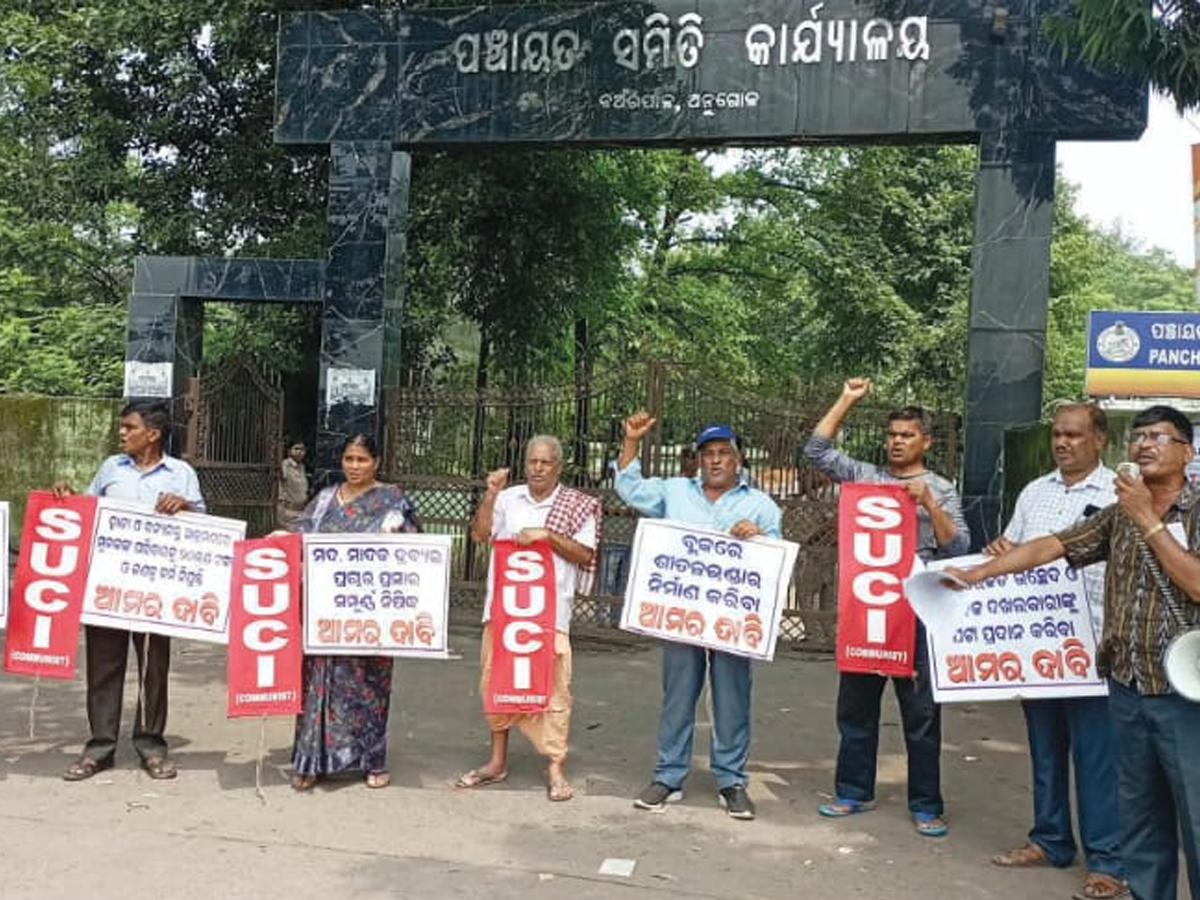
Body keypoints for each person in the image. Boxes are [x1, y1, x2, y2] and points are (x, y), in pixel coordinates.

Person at [946, 405, 1200, 900]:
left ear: (1187, 452)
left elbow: (1195, 584)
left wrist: (1148, 519)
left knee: (1194, 813)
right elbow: (1053, 546)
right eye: (1139, 436)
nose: (1144, 445)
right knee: (1141, 818)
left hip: (1184, 696)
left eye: (1158, 437)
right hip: (1126, 687)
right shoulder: (1118, 514)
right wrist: (977, 574)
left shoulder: (1176, 511)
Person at [805, 377, 968, 837]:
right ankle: (853, 790)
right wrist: (846, 399)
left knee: (921, 712)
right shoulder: (867, 478)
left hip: (917, 612)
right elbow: (816, 452)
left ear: (926, 442)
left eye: (907, 435)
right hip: (869, 609)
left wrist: (929, 503)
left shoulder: (941, 487)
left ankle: (926, 804)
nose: (897, 442)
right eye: (892, 435)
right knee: (856, 707)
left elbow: (959, 548)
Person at [987, 404, 1127, 900]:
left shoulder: (1119, 494)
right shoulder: (1034, 492)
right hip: (1038, 650)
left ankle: (1107, 861)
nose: (1063, 442)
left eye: (1074, 435)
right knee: (1045, 750)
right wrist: (999, 552)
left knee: (1097, 758)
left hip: (1093, 649)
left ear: (1100, 440)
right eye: (1058, 435)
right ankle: (1049, 840)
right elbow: (1012, 550)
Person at [615, 413, 782, 821]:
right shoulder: (674, 492)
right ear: (699, 460)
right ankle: (668, 776)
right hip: (682, 616)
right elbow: (630, 488)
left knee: (732, 698)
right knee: (678, 695)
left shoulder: (760, 506)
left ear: (738, 459)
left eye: (724, 453)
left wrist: (759, 538)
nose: (716, 460)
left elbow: (777, 563)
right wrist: (632, 441)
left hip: (732, 622)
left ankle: (731, 781)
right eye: (708, 454)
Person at [54, 400, 205, 781]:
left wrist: (185, 506)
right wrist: (69, 498)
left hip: (157, 590)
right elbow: (88, 511)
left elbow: (204, 529)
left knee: (153, 667)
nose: (121, 433)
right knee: (103, 666)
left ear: (152, 434)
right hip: (108, 585)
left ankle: (151, 745)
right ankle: (100, 747)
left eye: (129, 427)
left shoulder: (181, 474)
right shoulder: (111, 468)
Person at [455, 435, 601, 802]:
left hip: (550, 614)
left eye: (545, 462)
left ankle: (555, 766)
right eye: (532, 461)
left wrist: (547, 536)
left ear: (559, 467)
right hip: (506, 612)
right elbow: (480, 534)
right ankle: (496, 761)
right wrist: (491, 494)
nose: (538, 468)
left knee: (555, 688)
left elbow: (585, 554)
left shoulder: (576, 505)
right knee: (496, 681)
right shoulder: (508, 498)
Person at [289, 434, 421, 791]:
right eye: (349, 459)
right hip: (325, 611)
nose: (354, 466)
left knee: (368, 685)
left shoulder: (392, 500)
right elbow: (300, 535)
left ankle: (371, 761)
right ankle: (311, 761)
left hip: (372, 612)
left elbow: (416, 550)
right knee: (317, 683)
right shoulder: (324, 500)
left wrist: (397, 540)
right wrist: (280, 541)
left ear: (376, 462)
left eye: (362, 459)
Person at [277, 440, 309, 530]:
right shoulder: (285, 465)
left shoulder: (302, 467)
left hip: (300, 511)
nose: (299, 452)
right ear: (289, 451)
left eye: (302, 449)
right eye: (296, 449)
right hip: (288, 511)